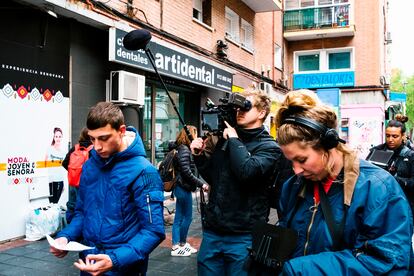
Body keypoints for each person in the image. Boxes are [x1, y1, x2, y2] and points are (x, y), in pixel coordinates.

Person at [274, 89, 413, 274]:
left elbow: (389, 262)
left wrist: (303, 270)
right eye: (290, 161)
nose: (296, 170)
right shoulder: (292, 187)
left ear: (329, 145)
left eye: (302, 159)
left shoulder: (378, 189)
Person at [50, 102, 165, 275]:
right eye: (92, 139)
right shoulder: (89, 166)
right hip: (89, 263)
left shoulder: (144, 171)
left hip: (124, 268)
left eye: (104, 138)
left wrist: (115, 259)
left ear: (121, 130)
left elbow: (153, 231)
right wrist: (66, 236)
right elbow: (82, 212)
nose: (97, 146)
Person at [190, 90, 281, 275]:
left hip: (244, 236)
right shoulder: (225, 140)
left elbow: (247, 172)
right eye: (237, 107)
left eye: (246, 107)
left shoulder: (270, 147)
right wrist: (198, 157)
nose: (240, 111)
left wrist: (234, 140)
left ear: (262, 112)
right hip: (213, 232)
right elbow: (215, 177)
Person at [171, 126, 209, 257]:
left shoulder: (181, 148)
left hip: (180, 186)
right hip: (183, 187)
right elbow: (187, 172)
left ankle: (179, 244)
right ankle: (179, 244)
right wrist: (201, 184)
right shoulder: (184, 150)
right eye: (195, 134)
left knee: (179, 217)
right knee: (187, 217)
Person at [367, 114, 414, 214]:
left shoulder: (410, 156)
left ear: (403, 136)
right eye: (388, 136)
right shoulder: (376, 151)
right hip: (378, 206)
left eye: (395, 136)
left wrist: (394, 179)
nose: (390, 139)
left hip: (404, 207)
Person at [62, 127, 92, 223]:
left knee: (71, 205)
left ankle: (69, 226)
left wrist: (74, 172)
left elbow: (64, 163)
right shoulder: (93, 150)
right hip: (86, 183)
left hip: (73, 182)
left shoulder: (74, 148)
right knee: (85, 206)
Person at [45, 127, 66, 204]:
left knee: (56, 204)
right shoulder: (49, 149)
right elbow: (45, 164)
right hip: (51, 181)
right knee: (51, 203)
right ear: (54, 137)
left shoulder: (63, 153)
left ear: (62, 137)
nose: (58, 138)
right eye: (56, 136)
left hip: (60, 181)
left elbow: (62, 169)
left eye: (59, 137)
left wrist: (63, 183)